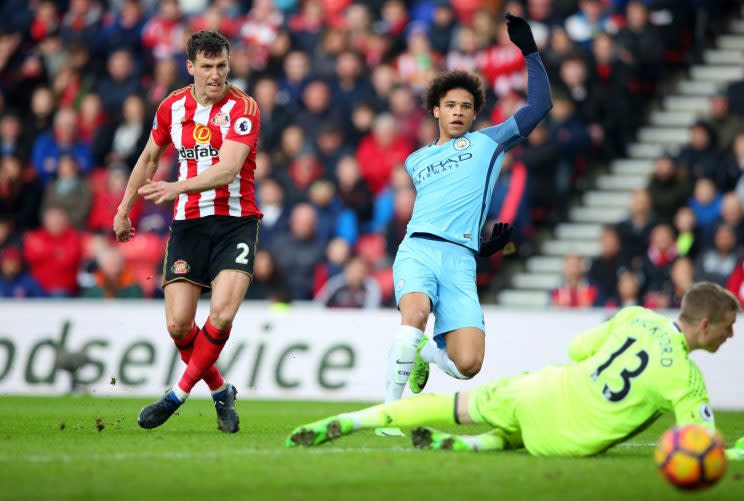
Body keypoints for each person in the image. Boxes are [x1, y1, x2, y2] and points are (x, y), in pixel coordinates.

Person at [287, 282, 743, 460]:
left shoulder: (635, 315)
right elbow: (703, 448)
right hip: (563, 442)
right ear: (704, 325)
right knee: (522, 438)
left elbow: (578, 347)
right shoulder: (685, 380)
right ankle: (474, 445)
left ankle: (350, 420)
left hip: (538, 389)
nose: (730, 336)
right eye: (728, 326)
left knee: (452, 404)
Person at [380, 13, 552, 437]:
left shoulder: (489, 142)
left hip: (460, 262)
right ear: (436, 110)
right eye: (450, 105)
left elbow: (540, 106)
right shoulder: (414, 160)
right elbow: (439, 207)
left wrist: (530, 52)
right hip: (418, 248)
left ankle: (424, 355)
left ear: (476, 114)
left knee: (467, 366)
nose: (458, 112)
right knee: (414, 315)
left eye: (466, 107)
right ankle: (389, 414)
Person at [113, 30, 262, 433]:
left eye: (222, 66)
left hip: (236, 223)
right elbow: (148, 158)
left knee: (223, 312)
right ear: (190, 67)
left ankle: (175, 395)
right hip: (188, 224)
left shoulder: (244, 108)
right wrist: (125, 207)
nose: (216, 75)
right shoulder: (171, 107)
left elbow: (228, 169)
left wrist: (175, 186)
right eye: (208, 67)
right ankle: (220, 392)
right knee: (179, 324)